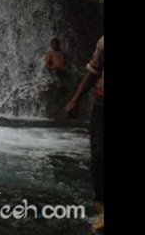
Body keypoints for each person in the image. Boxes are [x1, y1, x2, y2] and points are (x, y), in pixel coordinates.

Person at [66, 35, 104, 232]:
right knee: (98, 156)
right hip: (101, 105)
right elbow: (93, 72)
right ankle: (101, 206)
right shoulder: (103, 42)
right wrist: (75, 100)